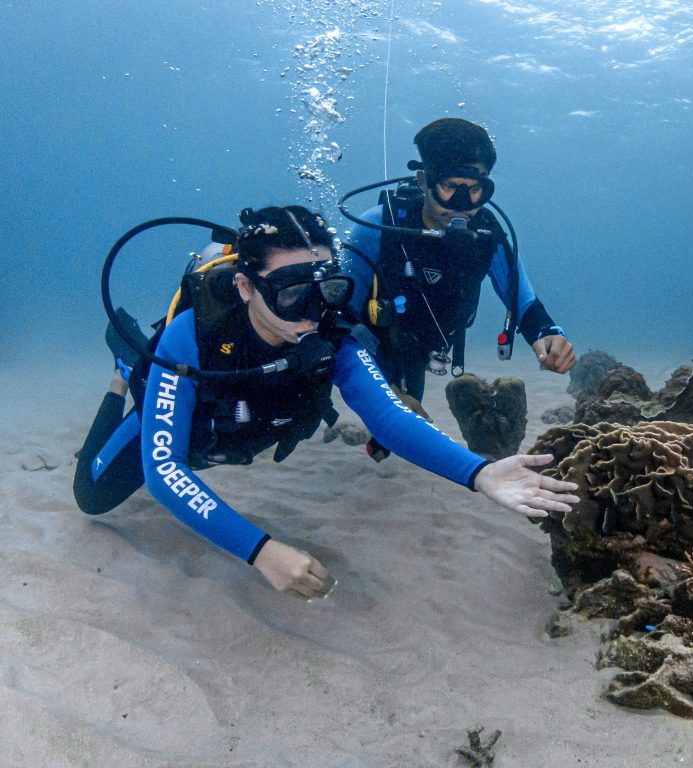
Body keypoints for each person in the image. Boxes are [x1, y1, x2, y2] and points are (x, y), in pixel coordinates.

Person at [73, 205, 578, 599]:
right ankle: (121, 373)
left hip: (240, 433)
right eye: (293, 294)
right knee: (90, 498)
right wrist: (260, 551)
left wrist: (480, 473)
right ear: (247, 286)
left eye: (327, 290)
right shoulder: (192, 337)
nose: (314, 312)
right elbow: (164, 468)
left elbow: (388, 417)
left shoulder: (331, 333)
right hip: (187, 427)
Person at [343, 118, 575, 424]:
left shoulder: (486, 234)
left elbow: (524, 300)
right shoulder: (378, 227)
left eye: (475, 189)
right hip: (375, 346)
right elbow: (338, 321)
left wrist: (548, 334)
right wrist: (384, 391)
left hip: (425, 347)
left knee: (404, 420)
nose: (462, 204)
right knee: (387, 415)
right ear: (424, 181)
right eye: (449, 186)